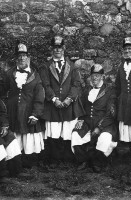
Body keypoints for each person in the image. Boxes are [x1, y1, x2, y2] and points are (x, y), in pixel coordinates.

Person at [0, 43, 45, 168]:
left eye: (24, 55)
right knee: (15, 134)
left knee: (28, 136)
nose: (22, 58)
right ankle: (15, 161)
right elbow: (3, 88)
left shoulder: (36, 75)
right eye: (19, 56)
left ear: (28, 57)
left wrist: (36, 114)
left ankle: (29, 162)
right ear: (16, 58)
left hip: (29, 111)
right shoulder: (9, 73)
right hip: (13, 111)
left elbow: (40, 96)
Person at [39, 35, 85, 164]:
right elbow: (45, 85)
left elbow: (76, 84)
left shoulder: (72, 66)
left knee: (68, 131)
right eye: (55, 48)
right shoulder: (45, 66)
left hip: (68, 105)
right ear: (51, 49)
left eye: (59, 47)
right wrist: (54, 99)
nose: (57, 50)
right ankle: (54, 160)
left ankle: (67, 159)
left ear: (63, 49)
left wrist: (69, 99)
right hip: (53, 105)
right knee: (54, 132)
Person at [71, 64, 118, 173]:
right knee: (75, 134)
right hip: (87, 122)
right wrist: (80, 120)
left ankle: (97, 162)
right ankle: (83, 160)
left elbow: (110, 113)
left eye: (97, 75)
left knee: (105, 138)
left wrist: (99, 127)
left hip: (104, 123)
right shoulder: (87, 90)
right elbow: (81, 106)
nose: (95, 78)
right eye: (93, 75)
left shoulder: (109, 91)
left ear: (103, 76)